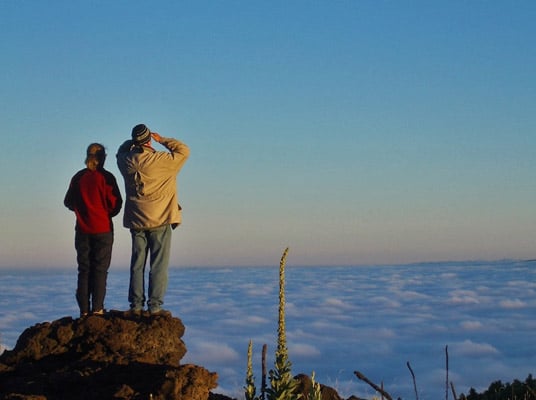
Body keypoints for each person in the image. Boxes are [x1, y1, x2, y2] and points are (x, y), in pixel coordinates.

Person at [116, 124, 189, 316]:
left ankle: (136, 305)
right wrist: (162, 139)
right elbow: (183, 150)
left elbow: (120, 151)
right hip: (160, 219)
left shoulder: (126, 161)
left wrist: (133, 142)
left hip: (136, 220)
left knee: (137, 264)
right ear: (149, 140)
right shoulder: (162, 160)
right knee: (158, 265)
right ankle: (154, 307)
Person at [64, 143, 123, 317]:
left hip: (82, 229)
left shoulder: (78, 177)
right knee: (100, 270)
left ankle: (84, 310)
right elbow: (116, 204)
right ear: (102, 157)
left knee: (84, 269)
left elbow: (68, 202)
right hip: (103, 229)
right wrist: (104, 213)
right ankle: (97, 309)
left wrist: (81, 211)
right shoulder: (106, 177)